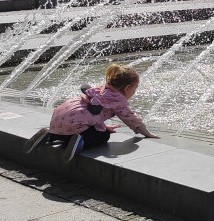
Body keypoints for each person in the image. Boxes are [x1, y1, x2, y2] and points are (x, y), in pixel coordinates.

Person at [23, 64, 160, 162]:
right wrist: (146, 132)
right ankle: (80, 143)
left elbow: (88, 116)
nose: (134, 93)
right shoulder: (118, 100)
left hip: (59, 120)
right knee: (103, 135)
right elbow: (130, 118)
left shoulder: (99, 90)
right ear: (127, 88)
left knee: (70, 130)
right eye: (135, 89)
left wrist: (103, 125)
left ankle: (49, 136)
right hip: (75, 124)